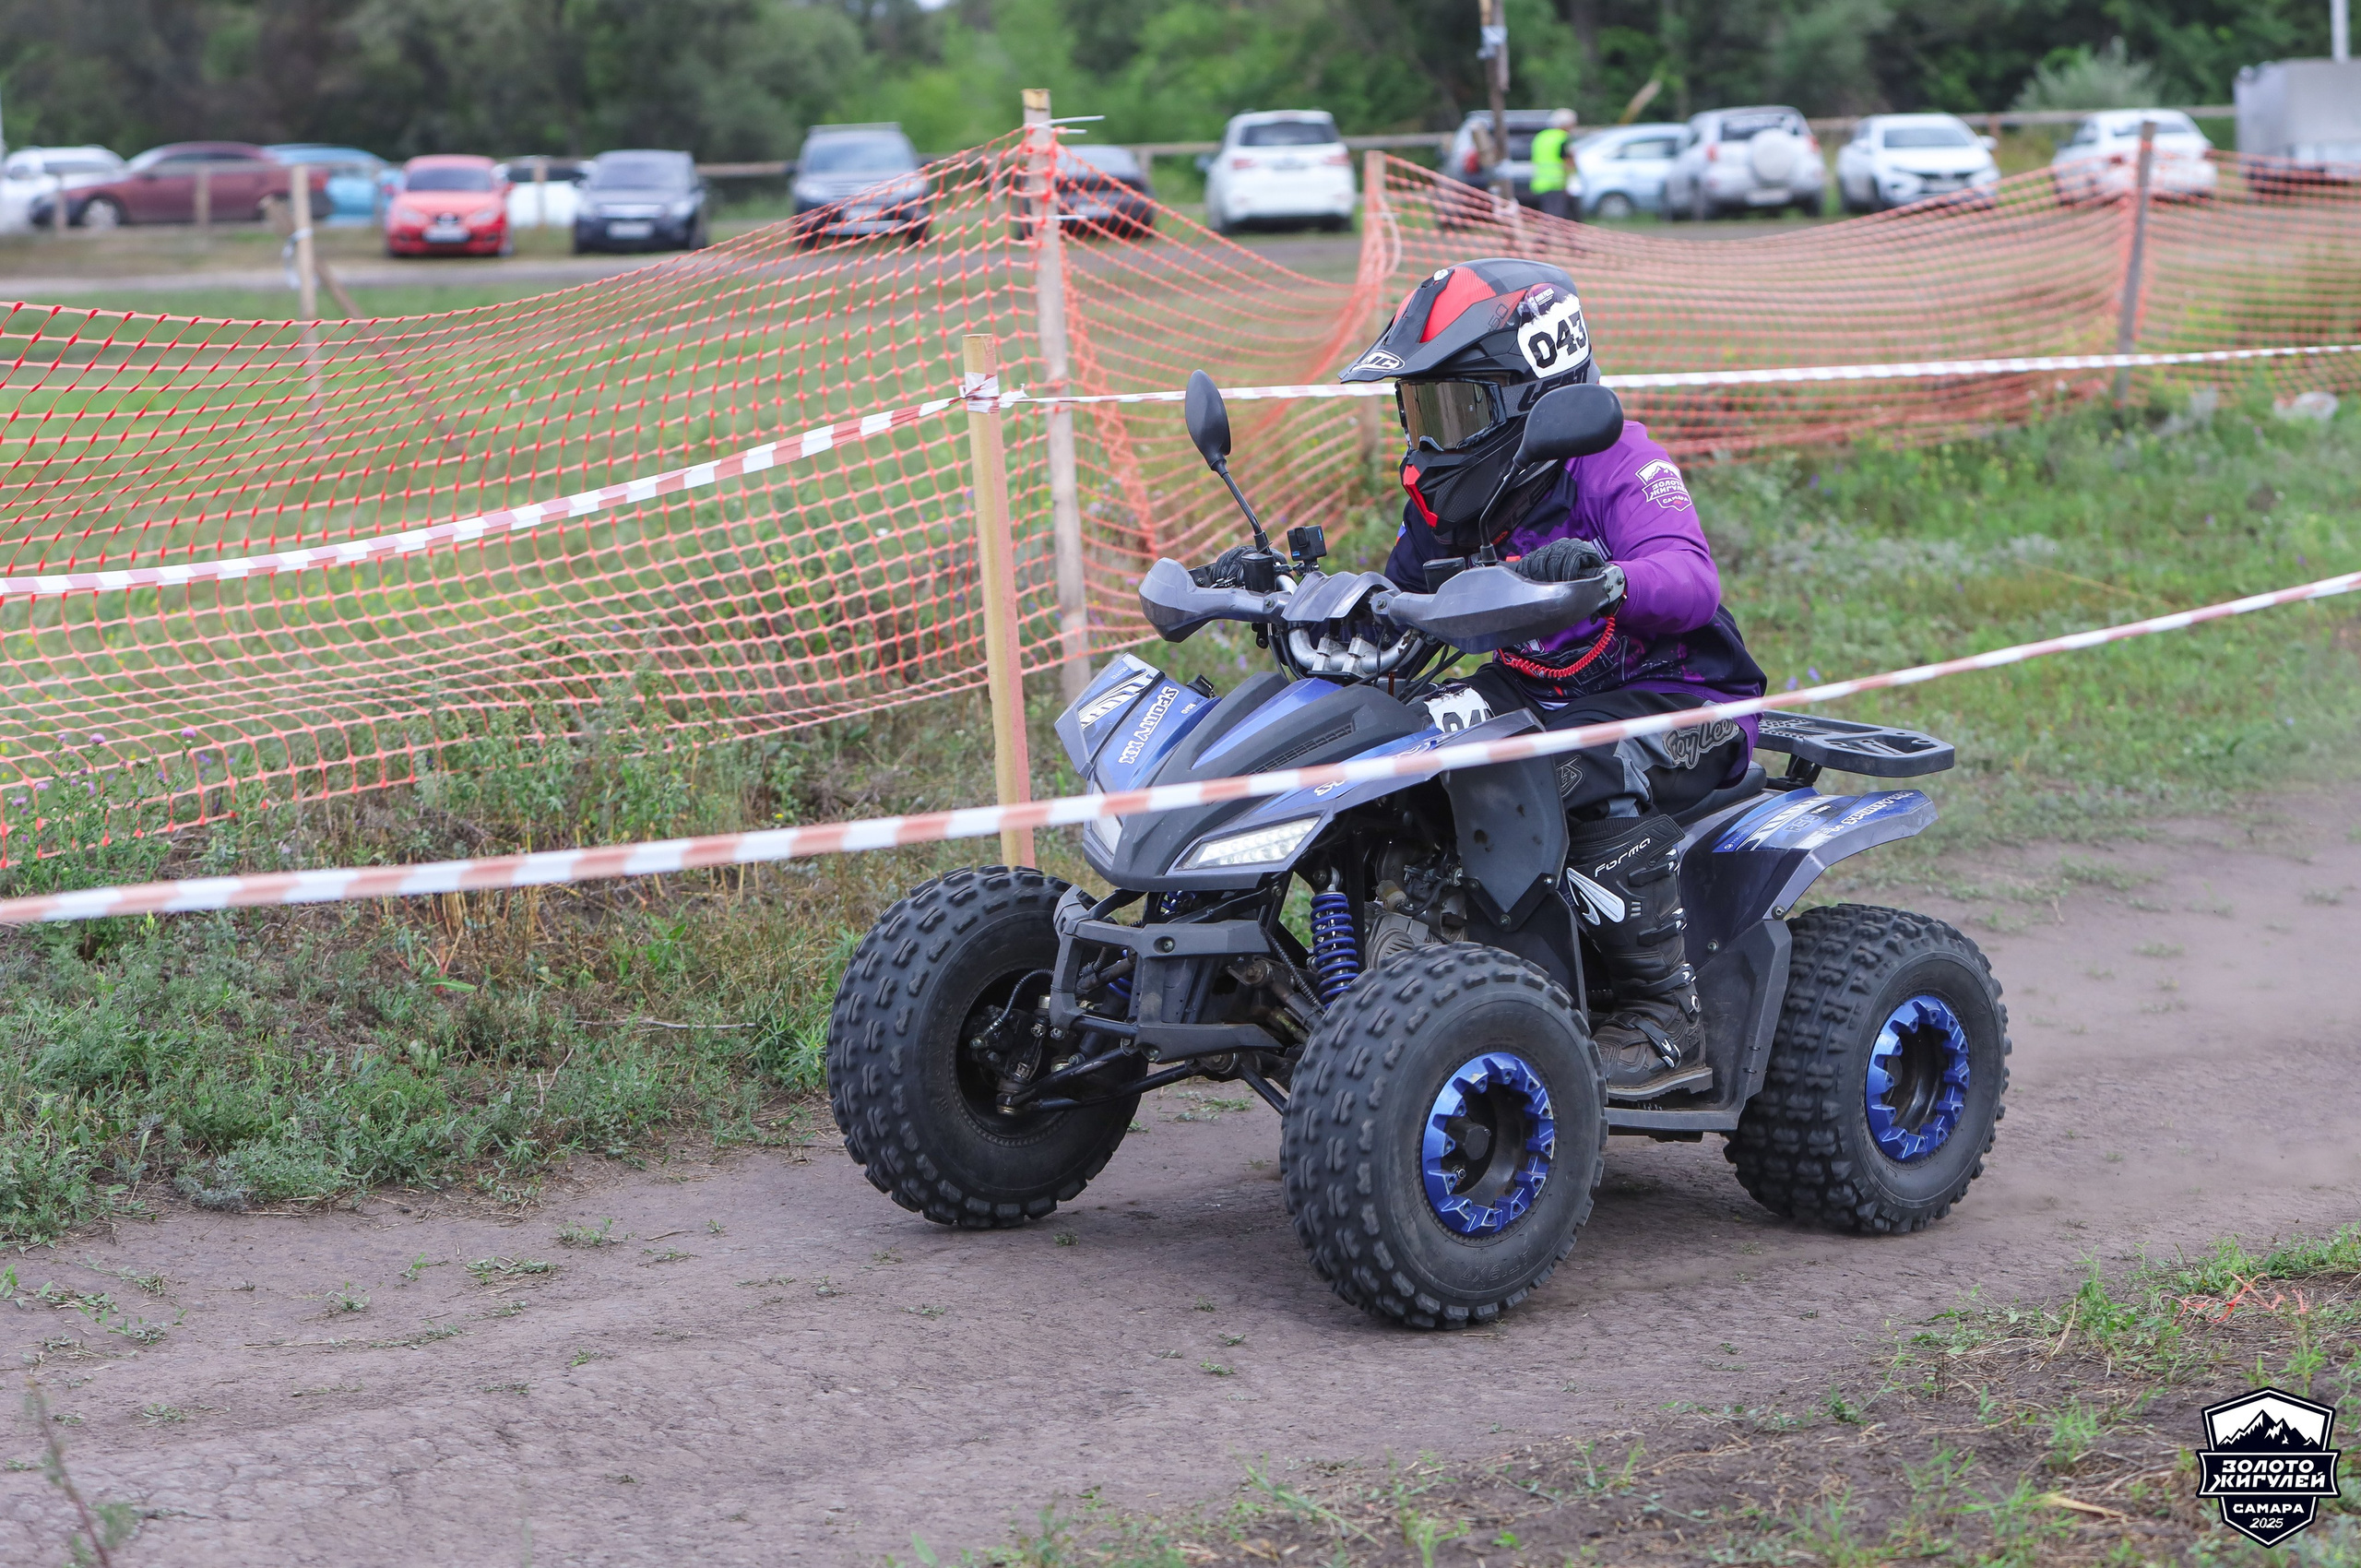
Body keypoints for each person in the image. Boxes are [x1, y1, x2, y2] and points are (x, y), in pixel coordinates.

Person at [1339, 257, 1768, 1102]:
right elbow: (1404, 607)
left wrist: (1607, 577)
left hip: (1682, 696)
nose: (1434, 436)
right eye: (1421, 409)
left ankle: (1665, 1015)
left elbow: (1692, 578)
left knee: (1570, 762)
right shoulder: (1446, 498)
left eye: (1459, 407)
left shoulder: (1615, 459)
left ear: (1536, 396)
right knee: (1400, 744)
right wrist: (1326, 612)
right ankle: (1407, 966)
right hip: (1538, 690)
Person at [1529, 108, 1577, 220]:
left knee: (1546, 215)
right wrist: (1570, 182)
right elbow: (1568, 162)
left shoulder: (1541, 136)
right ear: (1566, 124)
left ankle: (1543, 232)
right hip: (1556, 184)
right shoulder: (1562, 138)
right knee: (1555, 217)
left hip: (1539, 183)